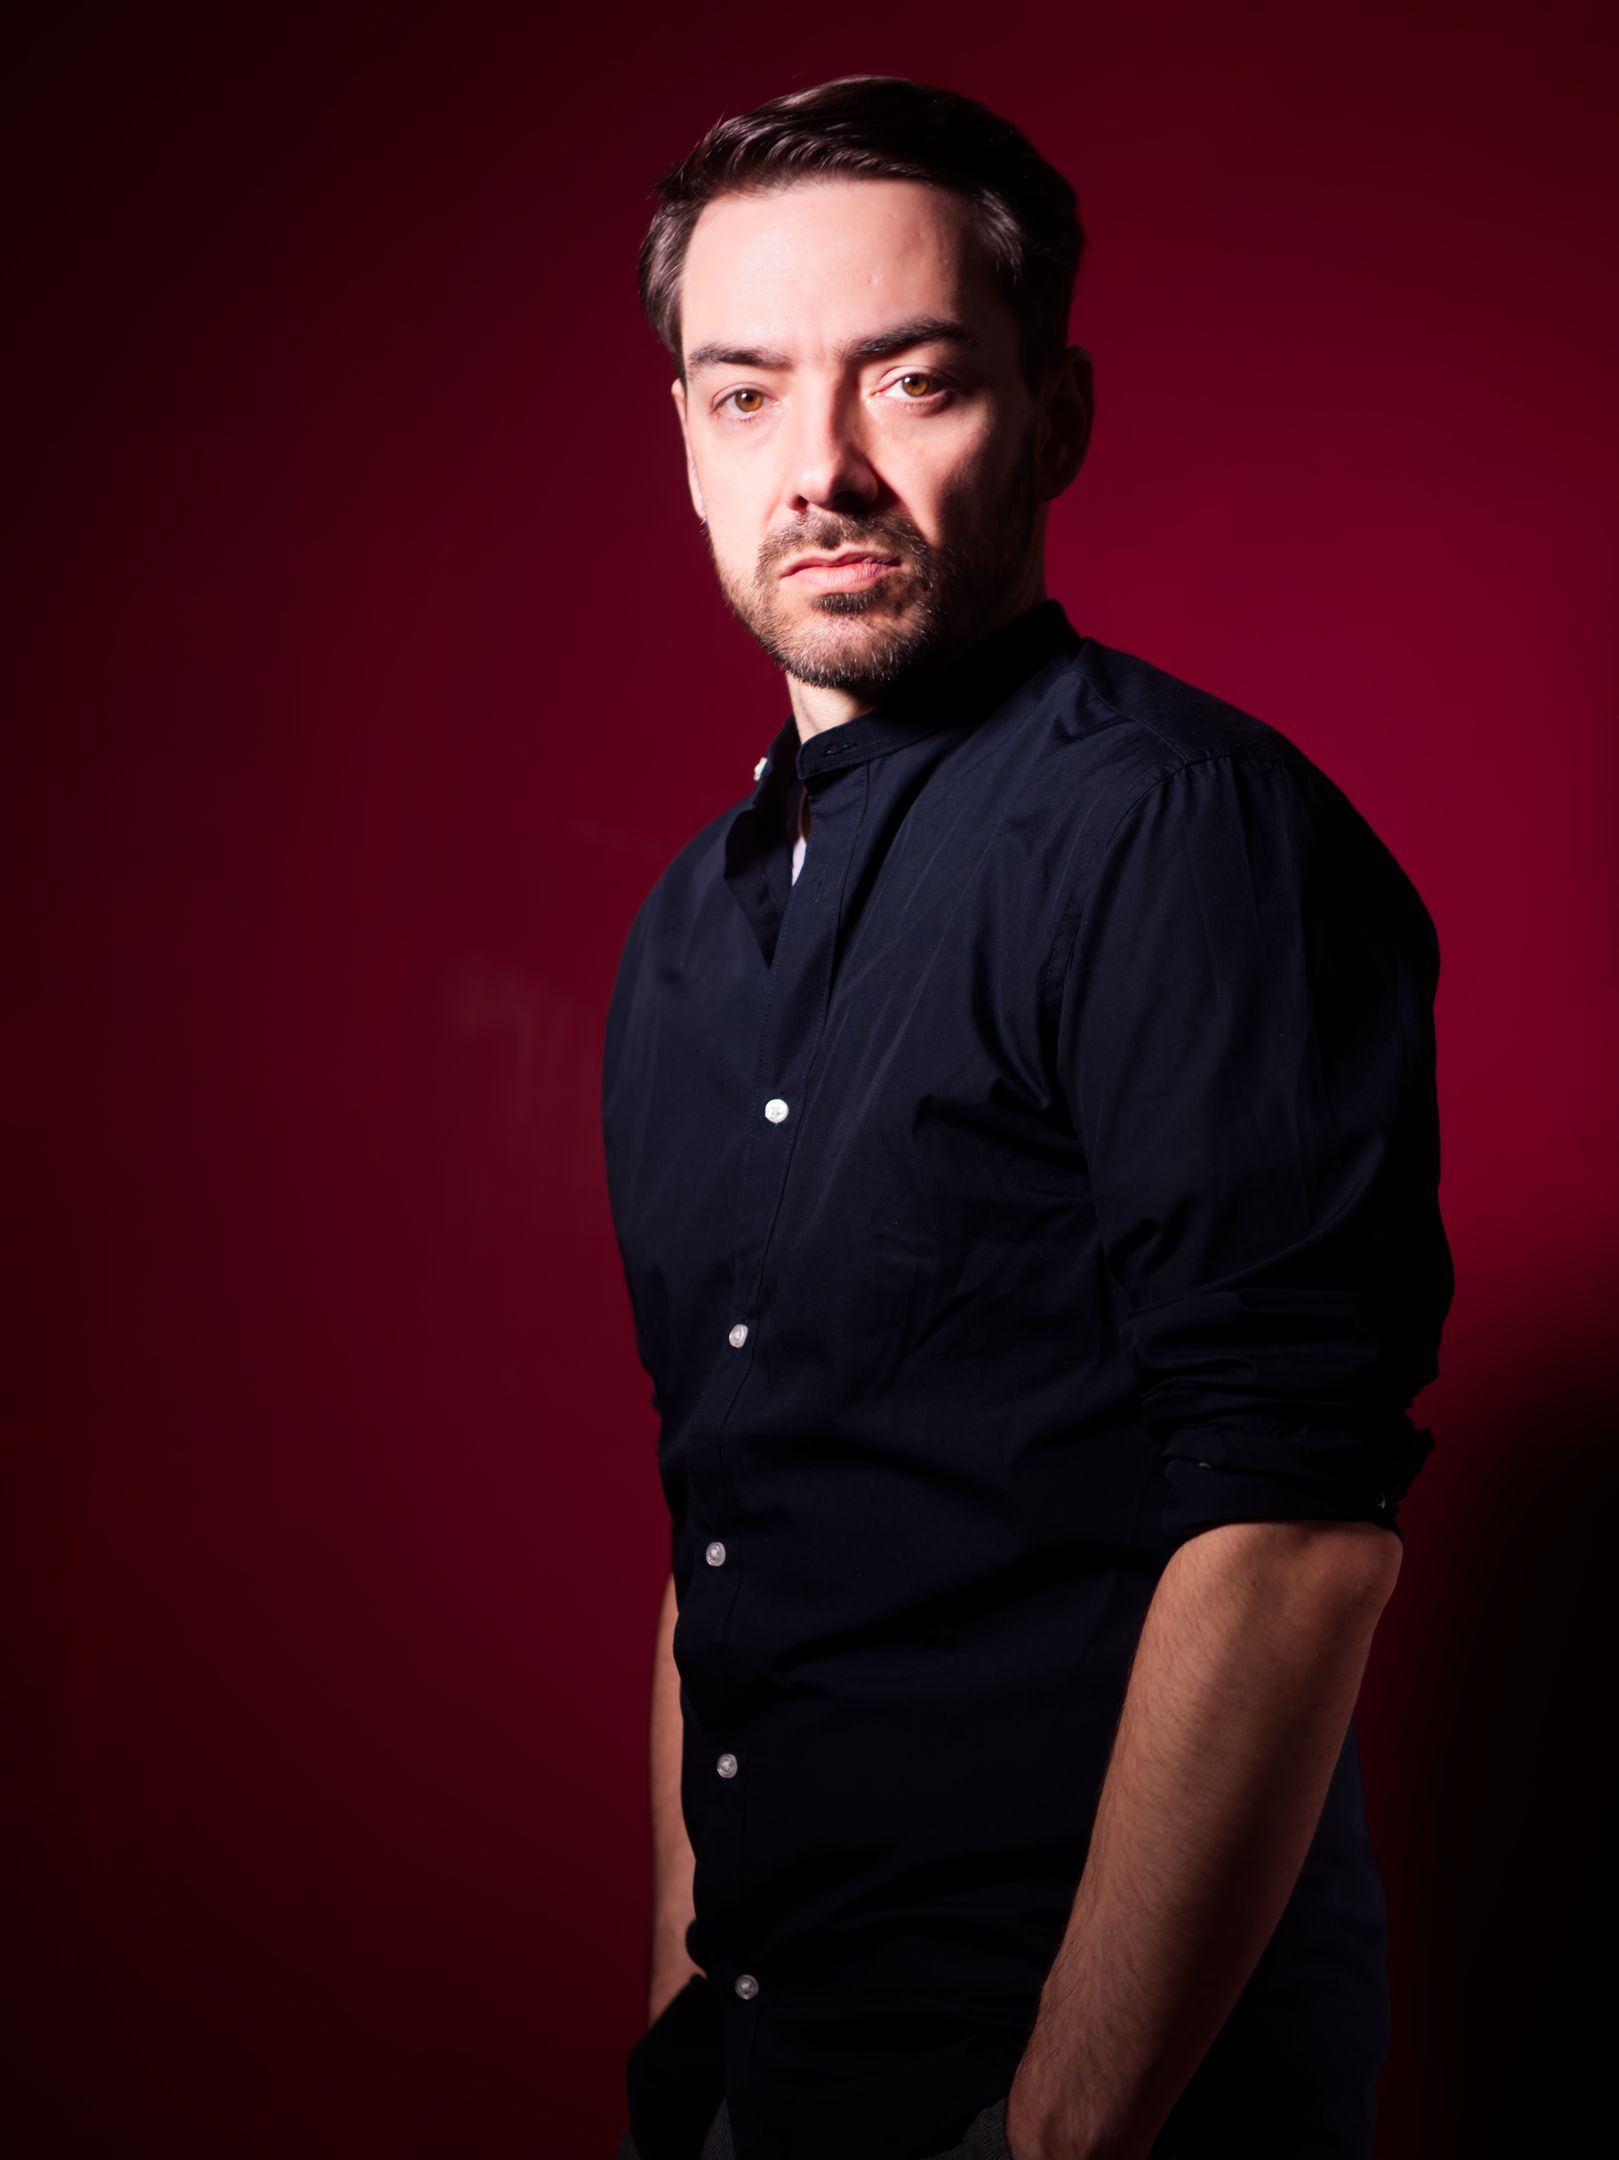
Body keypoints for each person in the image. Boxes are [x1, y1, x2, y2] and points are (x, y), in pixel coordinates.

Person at [599, 74, 1454, 2160]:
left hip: (1095, 2098)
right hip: (769, 2079)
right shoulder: (685, 936)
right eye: (745, 393)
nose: (822, 467)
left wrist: (1055, 2139)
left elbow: (1292, 1534)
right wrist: (685, 2035)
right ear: (687, 440)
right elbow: (723, 1524)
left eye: (911, 380)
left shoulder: (1181, 837)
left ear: (1054, 416)